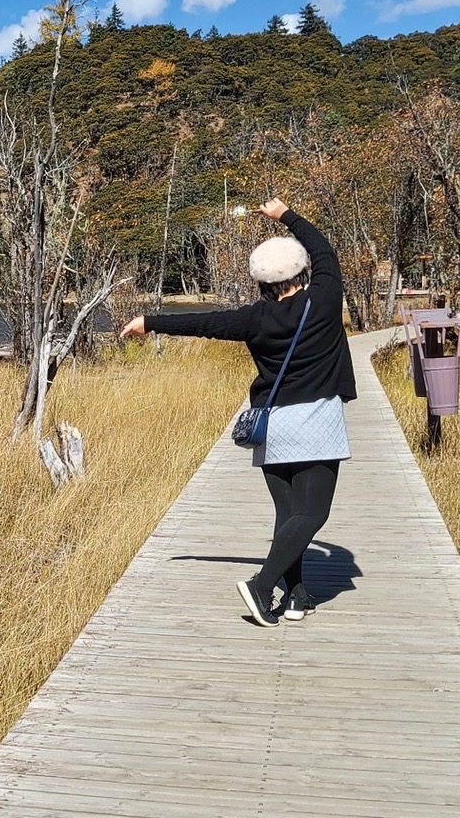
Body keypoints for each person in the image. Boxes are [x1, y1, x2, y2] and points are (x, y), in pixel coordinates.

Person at [120, 198, 355, 627]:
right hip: (316, 422)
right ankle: (262, 586)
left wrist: (150, 322)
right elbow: (325, 251)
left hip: (271, 425)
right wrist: (285, 215)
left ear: (263, 282)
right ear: (303, 272)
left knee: (289, 516)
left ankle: (298, 595)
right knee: (313, 514)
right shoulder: (324, 299)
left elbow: (205, 322)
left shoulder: (254, 319)